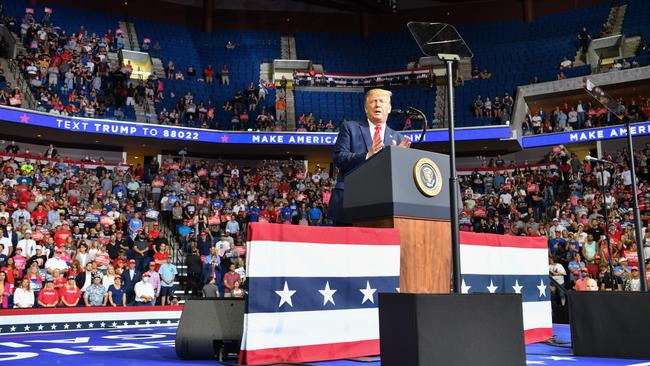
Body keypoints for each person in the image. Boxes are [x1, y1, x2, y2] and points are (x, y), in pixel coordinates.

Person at [330, 89, 410, 225]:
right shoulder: (349, 128)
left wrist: (398, 159)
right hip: (350, 203)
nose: (378, 105)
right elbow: (339, 157)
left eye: (382, 101)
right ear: (366, 108)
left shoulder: (398, 138)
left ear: (389, 108)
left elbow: (400, 177)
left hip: (384, 205)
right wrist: (368, 155)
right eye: (373, 101)